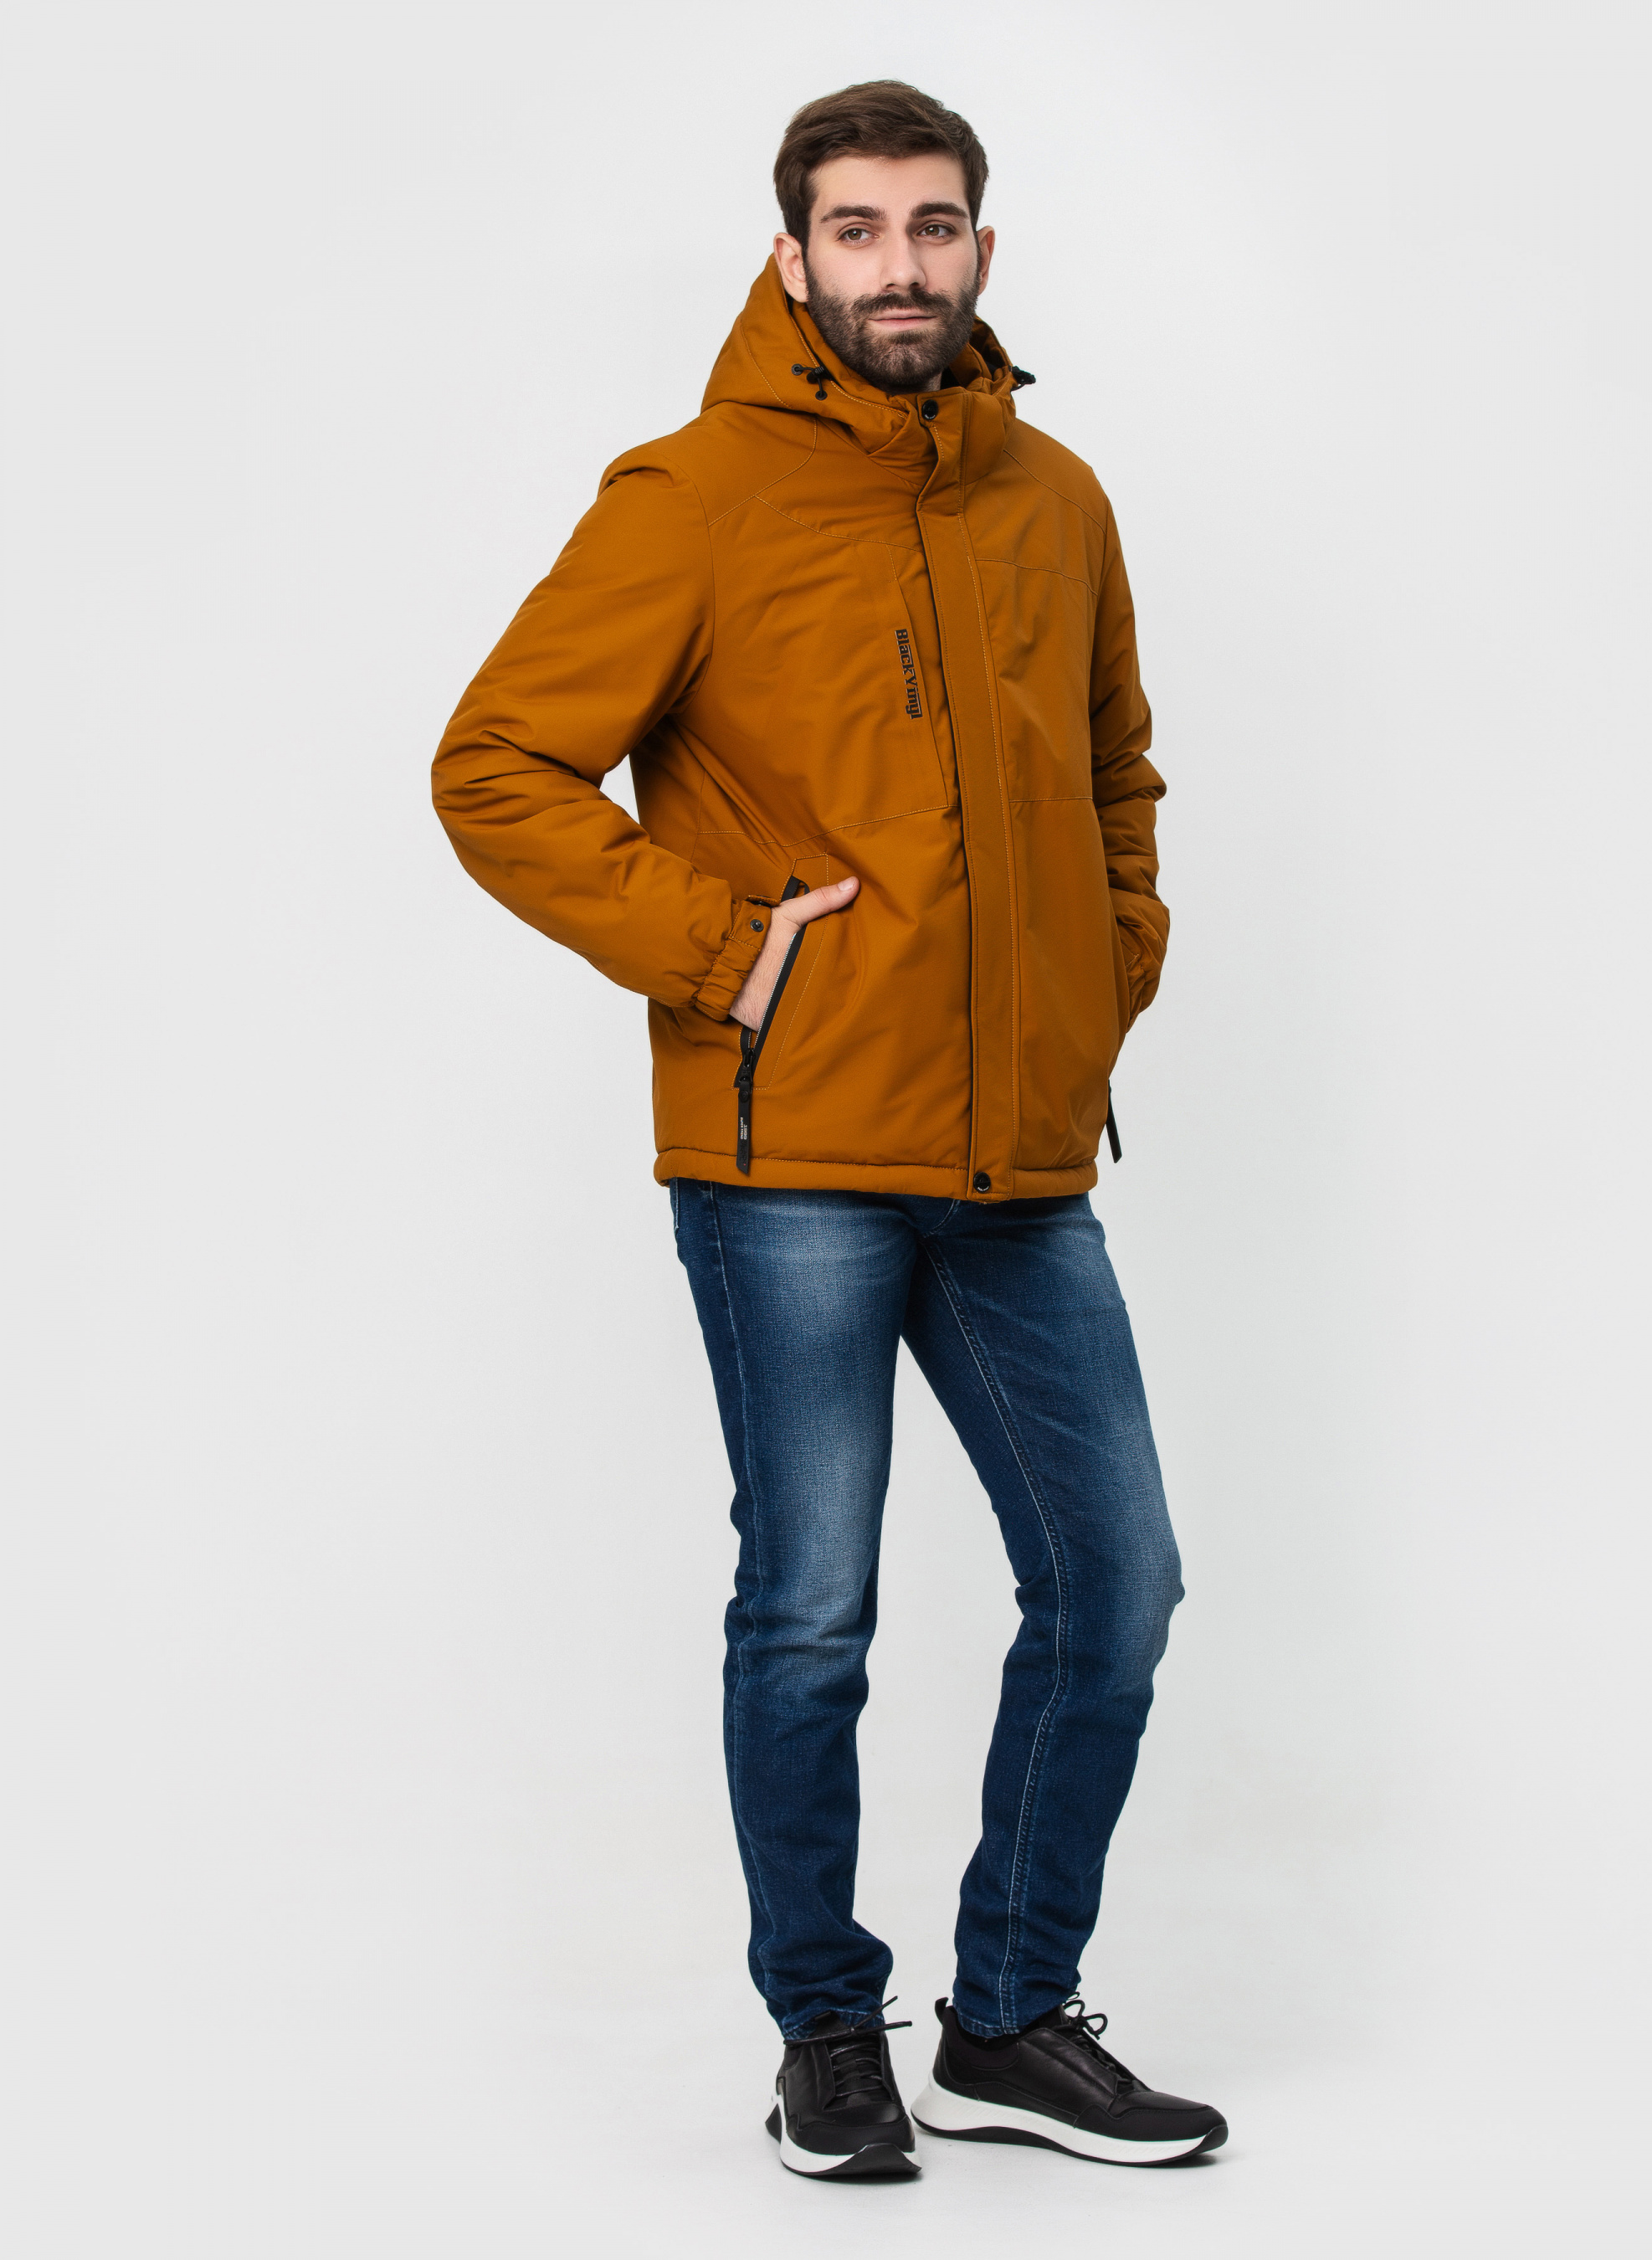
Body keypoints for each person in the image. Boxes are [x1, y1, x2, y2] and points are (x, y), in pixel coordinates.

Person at [433, 79, 1225, 2181]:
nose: (898, 264)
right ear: (791, 258)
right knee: (810, 1609)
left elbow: (1114, 773)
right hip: (786, 1159)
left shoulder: (1056, 499)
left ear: (982, 251)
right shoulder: (690, 493)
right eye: (856, 230)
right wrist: (720, 950)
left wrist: (1104, 968)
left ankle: (1008, 2017)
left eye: (931, 225)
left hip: (1018, 1162)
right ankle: (820, 2033)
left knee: (1118, 1587)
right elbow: (494, 764)